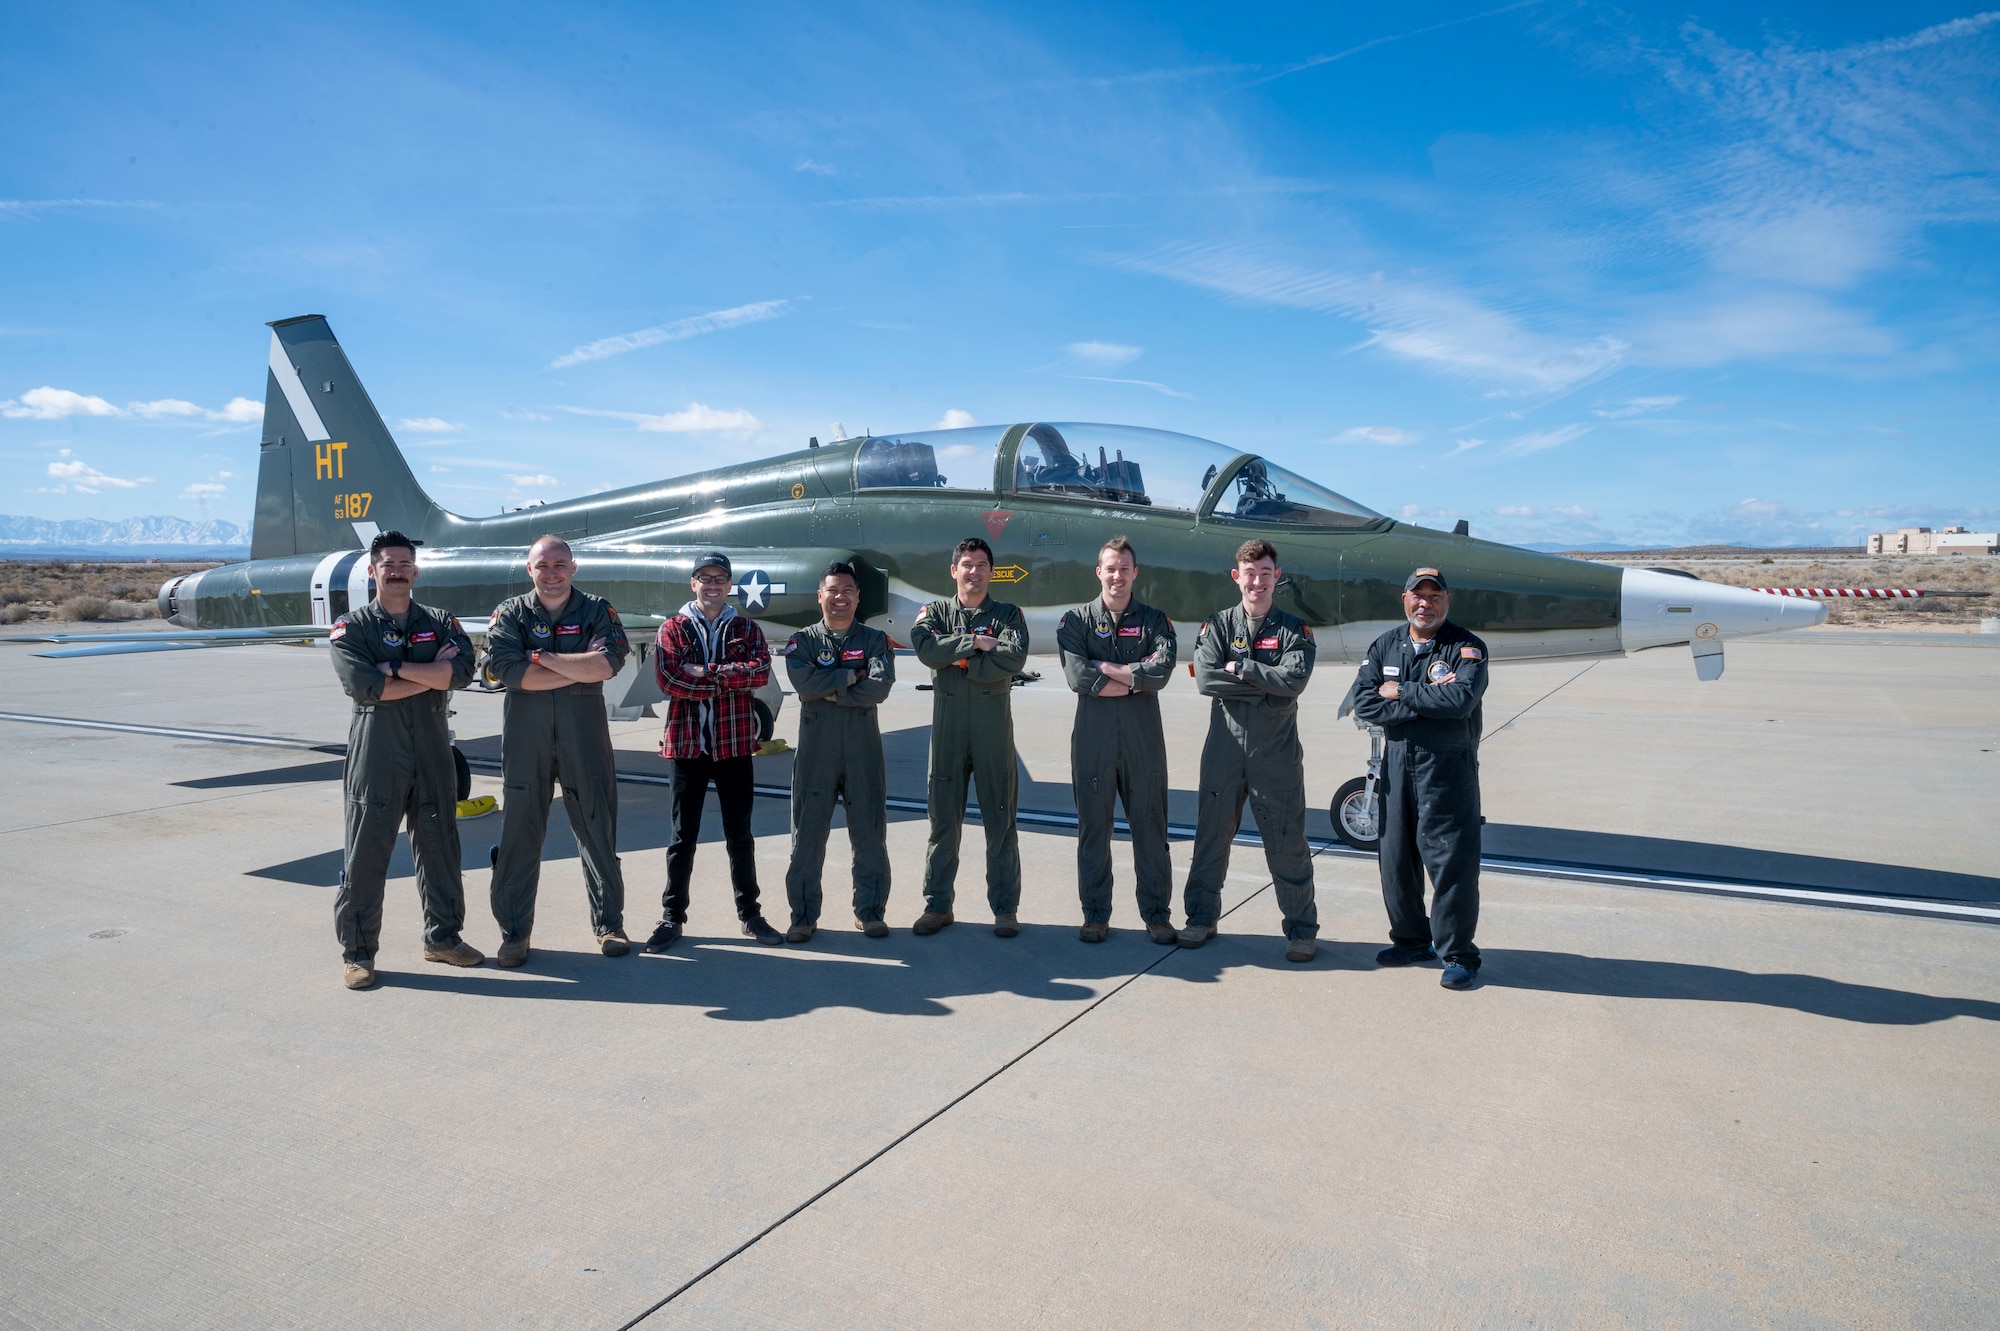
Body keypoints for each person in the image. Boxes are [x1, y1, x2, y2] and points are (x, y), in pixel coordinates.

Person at [327, 530, 481, 990]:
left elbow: (464, 671)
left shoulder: (439, 621)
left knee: (441, 847)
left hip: (432, 751)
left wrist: (393, 668)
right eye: (387, 564)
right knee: (366, 854)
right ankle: (358, 954)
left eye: (404, 564)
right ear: (373, 571)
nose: (397, 571)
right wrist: (434, 676)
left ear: (416, 571)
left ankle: (444, 938)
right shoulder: (351, 628)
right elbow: (365, 688)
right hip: (378, 753)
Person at [481, 535, 632, 967]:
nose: (551, 573)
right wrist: (576, 666)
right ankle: (514, 933)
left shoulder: (597, 610)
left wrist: (541, 658)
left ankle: (609, 924)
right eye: (542, 566)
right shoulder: (510, 612)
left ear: (573, 567)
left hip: (583, 733)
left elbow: (606, 664)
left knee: (598, 825)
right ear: (529, 570)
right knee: (520, 833)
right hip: (526, 736)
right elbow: (511, 673)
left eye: (560, 565)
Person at [1179, 539, 1321, 962]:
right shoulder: (1218, 627)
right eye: (1249, 573)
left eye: (1265, 573)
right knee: (1210, 838)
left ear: (1276, 577)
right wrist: (1266, 686)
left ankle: (1301, 931)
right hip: (1224, 750)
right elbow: (1206, 680)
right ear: (1236, 576)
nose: (1256, 582)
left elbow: (1293, 682)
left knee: (1287, 843)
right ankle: (1200, 919)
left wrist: (1241, 668)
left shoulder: (1295, 631)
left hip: (1274, 755)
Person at [1351, 567, 1489, 990]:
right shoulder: (1385, 645)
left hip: (1446, 767)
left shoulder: (1466, 648)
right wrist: (1428, 700)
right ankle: (1411, 940)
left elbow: (1461, 700)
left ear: (1447, 600)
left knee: (1450, 865)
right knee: (1395, 860)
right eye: (1418, 595)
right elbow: (1364, 704)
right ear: (1404, 599)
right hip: (1396, 764)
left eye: (1434, 596)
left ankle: (1459, 955)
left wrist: (1403, 692)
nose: (1424, 603)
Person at [644, 552, 783, 952]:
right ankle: (672, 917)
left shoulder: (745, 627)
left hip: (735, 744)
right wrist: (729, 678)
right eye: (705, 577)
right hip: (688, 746)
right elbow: (670, 680)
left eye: (720, 578)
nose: (713, 584)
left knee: (740, 834)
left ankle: (750, 914)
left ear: (728, 584)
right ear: (693, 583)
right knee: (681, 836)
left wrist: (707, 672)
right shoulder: (673, 628)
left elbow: (759, 672)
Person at [1056, 536, 1179, 944]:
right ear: (1099, 572)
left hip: (1143, 742)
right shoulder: (1075, 621)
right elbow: (1078, 678)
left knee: (1151, 829)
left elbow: (1160, 673)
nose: (1117, 576)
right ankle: (1095, 915)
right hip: (1094, 741)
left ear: (1134, 573)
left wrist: (1107, 668)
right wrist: (1134, 677)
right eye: (1110, 568)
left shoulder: (1155, 621)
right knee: (1094, 830)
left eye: (1124, 569)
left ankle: (1158, 916)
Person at [909, 536, 1029, 937]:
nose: (973, 571)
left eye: (981, 565)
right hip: (948, 728)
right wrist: (974, 645)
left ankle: (1006, 909)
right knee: (943, 820)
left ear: (991, 572)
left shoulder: (1009, 614)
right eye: (966, 564)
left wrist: (956, 661)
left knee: (1000, 818)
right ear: (953, 570)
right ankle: (937, 906)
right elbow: (925, 648)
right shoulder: (936, 611)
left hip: (993, 729)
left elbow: (1012, 658)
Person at [781, 561, 897, 942]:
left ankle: (870, 912)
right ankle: (803, 916)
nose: (840, 597)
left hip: (862, 747)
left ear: (857, 596)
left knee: (869, 831)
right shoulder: (804, 641)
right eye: (833, 590)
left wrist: (828, 689)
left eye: (848, 590)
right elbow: (803, 681)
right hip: (817, 749)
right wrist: (850, 677)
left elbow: (878, 688)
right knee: (808, 834)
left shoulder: (875, 640)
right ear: (820, 596)